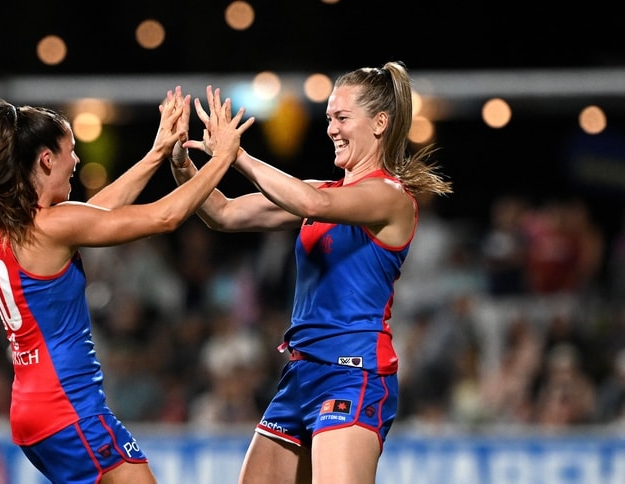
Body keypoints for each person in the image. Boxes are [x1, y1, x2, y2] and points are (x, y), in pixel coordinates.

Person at [0, 50, 254, 484]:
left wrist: (155, 154)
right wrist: (224, 157)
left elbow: (94, 214)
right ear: (46, 160)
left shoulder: (1, 226)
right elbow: (164, 217)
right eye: (71, 151)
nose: (76, 162)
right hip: (68, 408)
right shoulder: (52, 225)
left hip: (33, 412)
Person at [170, 62, 453, 483]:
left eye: (341, 118)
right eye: (327, 119)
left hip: (353, 373)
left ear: (379, 123)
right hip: (302, 373)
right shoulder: (323, 191)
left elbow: (311, 206)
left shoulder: (389, 196)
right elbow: (222, 213)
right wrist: (181, 163)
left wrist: (237, 155)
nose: (331, 129)